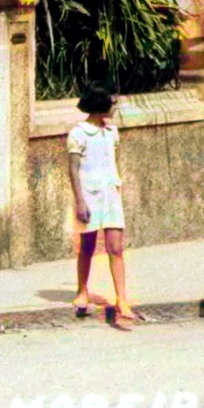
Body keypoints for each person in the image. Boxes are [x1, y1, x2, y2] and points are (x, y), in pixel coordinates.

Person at [67, 85, 138, 328]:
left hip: (110, 195)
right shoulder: (78, 134)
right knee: (87, 246)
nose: (114, 108)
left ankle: (122, 300)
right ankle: (82, 290)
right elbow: (73, 169)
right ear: (100, 105)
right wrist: (79, 201)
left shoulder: (111, 133)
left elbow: (112, 163)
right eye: (111, 103)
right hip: (88, 196)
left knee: (115, 247)